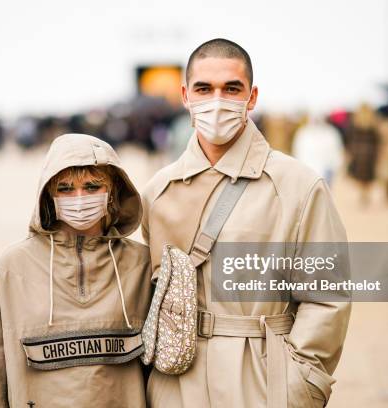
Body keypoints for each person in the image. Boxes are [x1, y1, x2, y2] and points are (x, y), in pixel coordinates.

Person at [141, 38, 351, 407]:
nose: (217, 101)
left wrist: (300, 383)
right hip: (174, 385)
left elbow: (327, 296)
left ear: (251, 98)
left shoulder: (299, 185)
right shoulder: (158, 191)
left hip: (262, 380)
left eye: (231, 89)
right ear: (185, 96)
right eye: (204, 89)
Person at [0, 134, 152, 407]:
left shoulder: (141, 264)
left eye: (92, 187)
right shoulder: (13, 266)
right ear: (49, 195)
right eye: (66, 189)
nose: (79, 199)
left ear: (113, 192)